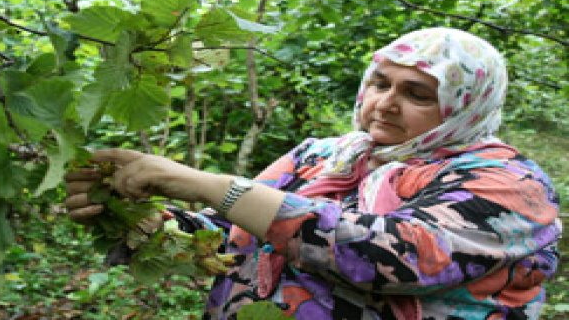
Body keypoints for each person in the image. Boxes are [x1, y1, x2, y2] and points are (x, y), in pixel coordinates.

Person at [64, 27, 561, 319]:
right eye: (380, 83)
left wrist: (205, 184)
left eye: (417, 94)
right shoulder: (325, 155)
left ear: (465, 108)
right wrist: (138, 218)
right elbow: (238, 230)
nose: (385, 104)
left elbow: (398, 256)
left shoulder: (509, 183)